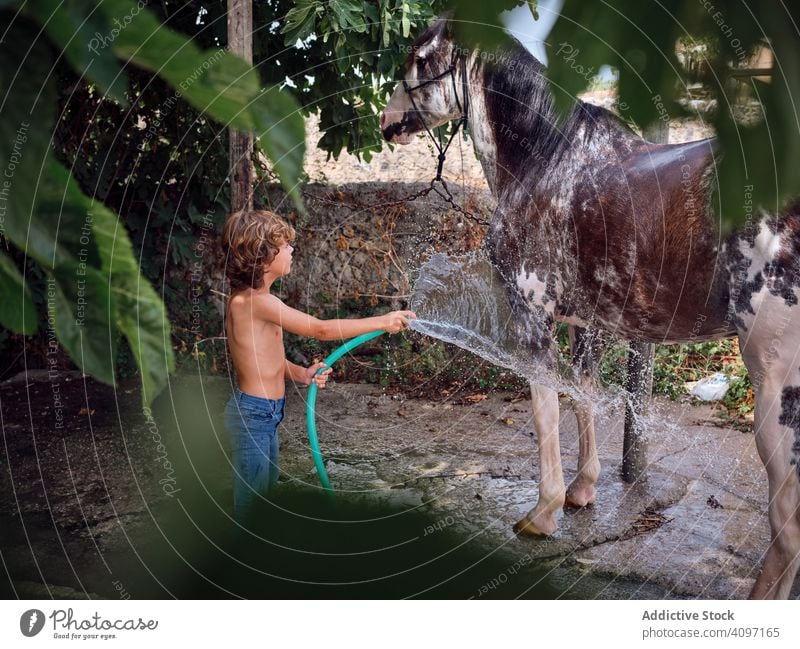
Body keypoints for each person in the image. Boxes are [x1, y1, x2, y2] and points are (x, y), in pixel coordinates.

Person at [221, 209, 415, 521]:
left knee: (264, 495)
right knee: (252, 506)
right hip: (253, 415)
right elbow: (320, 329)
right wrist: (382, 320)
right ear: (263, 257)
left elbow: (265, 360)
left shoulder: (256, 300)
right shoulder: (254, 303)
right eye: (285, 246)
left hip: (265, 413)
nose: (291, 249)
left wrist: (301, 373)